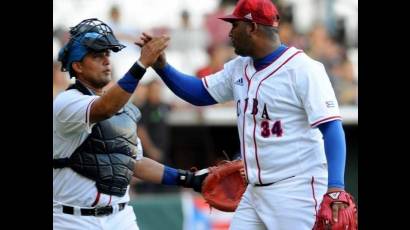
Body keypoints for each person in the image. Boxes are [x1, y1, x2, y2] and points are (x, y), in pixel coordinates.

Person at [136, 0, 356, 229]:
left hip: (296, 189)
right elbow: (199, 93)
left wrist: (336, 187)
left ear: (252, 28)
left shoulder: (304, 69)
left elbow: (331, 128)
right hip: (254, 190)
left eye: (235, 26)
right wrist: (162, 67)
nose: (229, 33)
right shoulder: (238, 67)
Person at [53, 18, 209, 230]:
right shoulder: (66, 102)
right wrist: (141, 64)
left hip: (121, 217)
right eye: (97, 55)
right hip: (72, 219)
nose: (107, 60)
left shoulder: (124, 108)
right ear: (77, 66)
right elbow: (104, 108)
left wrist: (189, 179)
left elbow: (135, 162)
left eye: (108, 54)